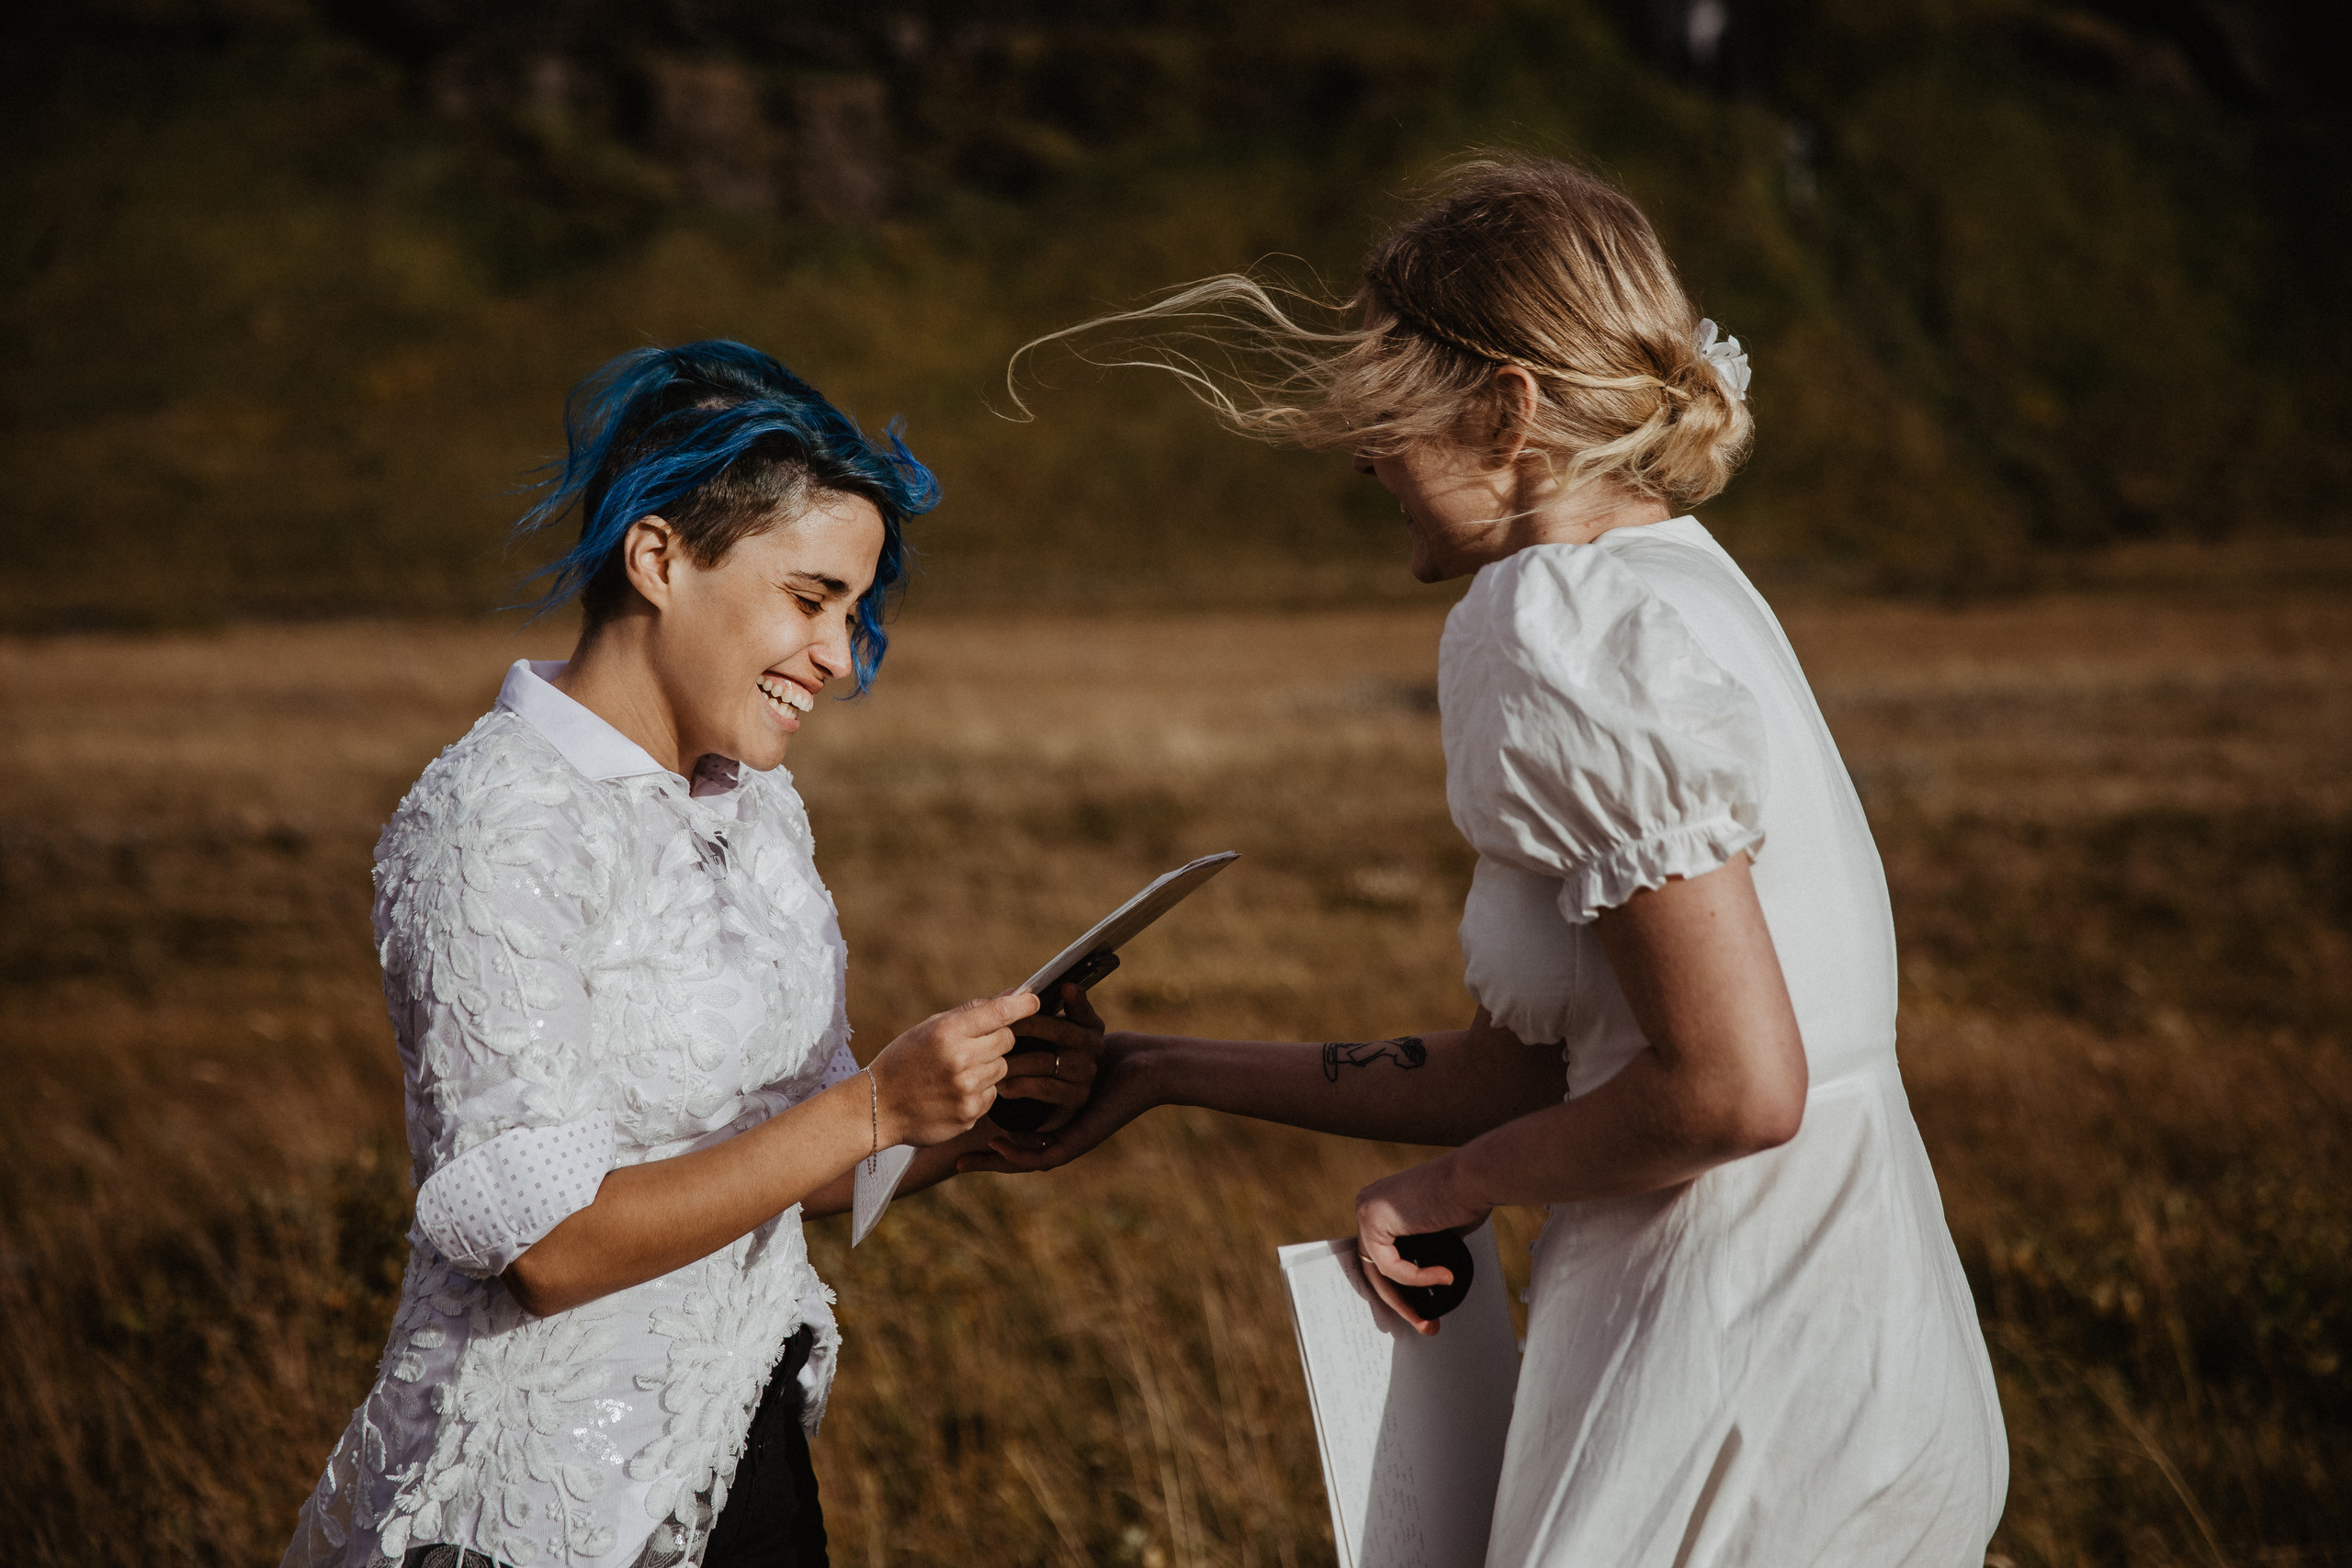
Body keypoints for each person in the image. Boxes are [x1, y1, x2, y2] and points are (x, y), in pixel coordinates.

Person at [978, 157, 2009, 1562]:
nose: (1363, 455)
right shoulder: (1687, 582)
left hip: (1721, 1377)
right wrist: (1155, 1069)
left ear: (1504, 410)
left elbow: (1735, 1088)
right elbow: (1543, 1075)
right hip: (1861, 1351)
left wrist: (1448, 1191)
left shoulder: (1546, 619)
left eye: (1388, 410)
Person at [284, 342, 1104, 1568]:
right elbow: (550, 1252)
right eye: (811, 599)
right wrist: (879, 1104)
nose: (837, 655)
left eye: (853, 612)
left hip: (747, 1466)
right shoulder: (495, 819)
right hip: (549, 1512)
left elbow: (790, 1154)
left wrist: (971, 1125)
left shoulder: (756, 806)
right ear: (659, 558)